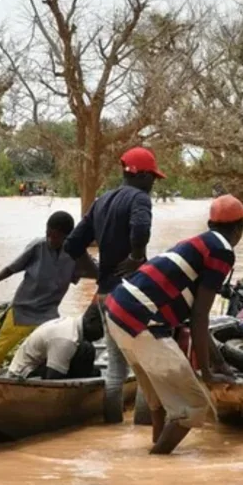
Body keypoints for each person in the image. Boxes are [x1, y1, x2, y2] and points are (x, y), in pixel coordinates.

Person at [104, 195, 243, 454]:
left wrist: (218, 363)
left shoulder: (196, 244)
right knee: (194, 405)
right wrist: (207, 372)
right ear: (240, 228)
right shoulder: (222, 251)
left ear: (210, 223)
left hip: (117, 312)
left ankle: (156, 469)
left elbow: (194, 318)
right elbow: (200, 317)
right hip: (142, 320)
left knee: (159, 400)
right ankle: (156, 462)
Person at [65, 147, 160, 424]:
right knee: (146, 368)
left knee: (116, 369)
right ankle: (144, 432)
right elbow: (141, 228)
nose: (153, 183)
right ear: (141, 175)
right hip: (133, 293)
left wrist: (94, 269)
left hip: (106, 294)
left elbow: (73, 244)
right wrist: (137, 258)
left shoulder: (102, 201)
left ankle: (111, 429)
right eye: (152, 177)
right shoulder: (140, 199)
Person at [0, 211, 93, 374]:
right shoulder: (38, 246)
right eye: (48, 234)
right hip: (21, 311)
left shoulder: (74, 254)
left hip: (48, 314)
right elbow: (11, 269)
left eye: (56, 237)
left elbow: (94, 272)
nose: (51, 239)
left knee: (53, 353)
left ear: (67, 237)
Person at [7, 302, 103, 380]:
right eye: (102, 329)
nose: (103, 335)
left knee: (89, 357)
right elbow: (53, 379)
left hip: (41, 367)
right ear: (91, 321)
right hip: (22, 375)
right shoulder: (66, 338)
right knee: (85, 351)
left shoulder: (72, 326)